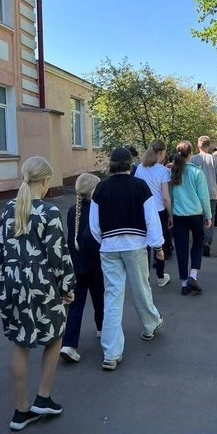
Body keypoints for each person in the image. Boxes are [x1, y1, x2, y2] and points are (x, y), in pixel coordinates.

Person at [0, 156, 75, 431]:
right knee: (55, 337)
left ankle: (20, 412)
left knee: (20, 344)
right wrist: (67, 287)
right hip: (41, 284)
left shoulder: (8, 209)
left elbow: (1, 252)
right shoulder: (49, 212)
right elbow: (58, 255)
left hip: (12, 284)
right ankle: (43, 397)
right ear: (45, 181)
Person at [89, 147, 163, 371]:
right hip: (135, 246)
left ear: (110, 164)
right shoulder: (140, 186)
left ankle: (111, 353)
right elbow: (151, 219)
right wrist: (157, 245)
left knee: (112, 296)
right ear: (130, 164)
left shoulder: (101, 188)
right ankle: (150, 325)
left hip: (109, 248)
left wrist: (105, 241)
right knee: (141, 287)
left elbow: (94, 225)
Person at [60, 173, 104, 364]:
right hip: (96, 263)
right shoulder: (98, 210)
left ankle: (68, 344)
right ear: (94, 190)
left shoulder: (72, 210)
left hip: (76, 264)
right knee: (100, 299)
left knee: (75, 305)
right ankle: (102, 330)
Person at [169, 141, 211, 295]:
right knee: (198, 241)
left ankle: (184, 283)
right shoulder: (197, 172)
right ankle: (193, 274)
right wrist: (208, 215)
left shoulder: (173, 171)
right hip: (195, 214)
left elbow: (171, 196)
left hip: (179, 215)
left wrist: (170, 214)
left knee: (181, 248)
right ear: (190, 154)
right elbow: (204, 197)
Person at [135, 140, 172, 285]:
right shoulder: (163, 171)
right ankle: (161, 276)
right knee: (159, 243)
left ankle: (144, 277)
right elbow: (165, 197)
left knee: (144, 245)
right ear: (161, 152)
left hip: (142, 210)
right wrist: (171, 214)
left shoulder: (139, 169)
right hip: (159, 210)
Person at [191, 136, 217, 256]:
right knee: (209, 217)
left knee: (198, 218)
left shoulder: (193, 159)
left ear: (198, 146)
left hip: (197, 194)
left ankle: (198, 240)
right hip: (211, 192)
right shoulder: (213, 159)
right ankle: (207, 240)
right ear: (208, 146)